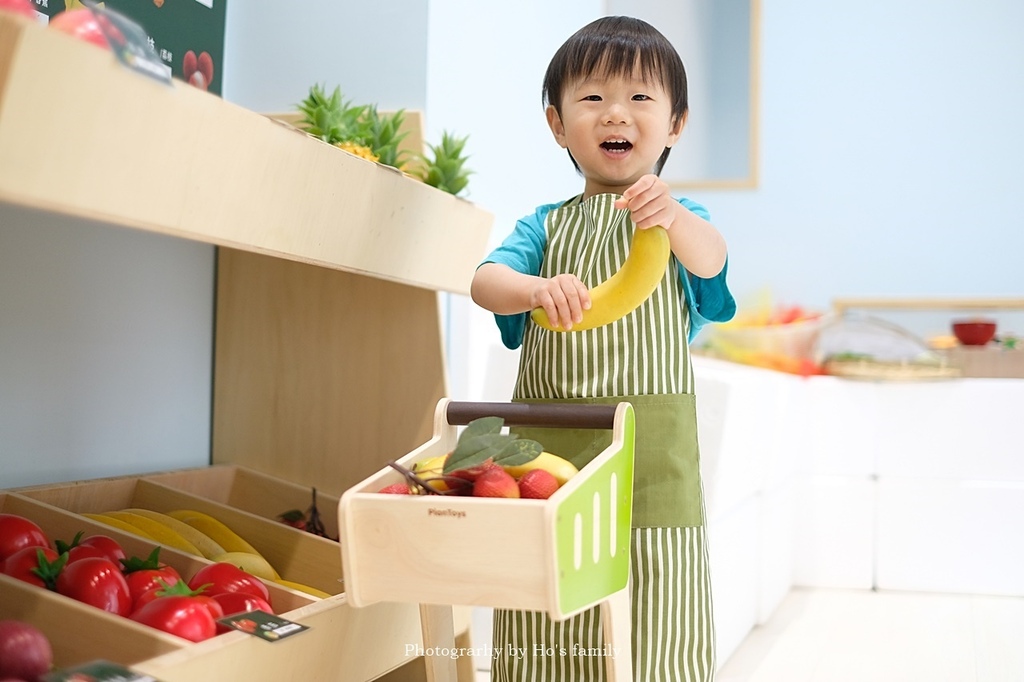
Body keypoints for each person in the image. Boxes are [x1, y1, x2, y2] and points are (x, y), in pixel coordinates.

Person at [470, 15, 736, 682]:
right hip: (547, 449)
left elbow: (710, 264)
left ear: (676, 123)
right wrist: (534, 289)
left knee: (655, 591)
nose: (616, 112)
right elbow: (485, 282)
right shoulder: (545, 225)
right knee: (547, 596)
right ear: (558, 124)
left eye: (640, 97)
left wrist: (672, 218)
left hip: (651, 456)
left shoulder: (683, 223)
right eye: (592, 97)